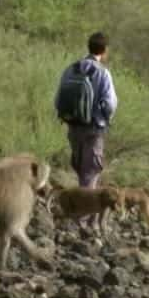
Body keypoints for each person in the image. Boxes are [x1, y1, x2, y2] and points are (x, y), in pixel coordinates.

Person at [54, 32, 118, 190]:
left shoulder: (71, 69)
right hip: (93, 129)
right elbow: (110, 104)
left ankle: (78, 210)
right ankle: (84, 212)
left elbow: (57, 100)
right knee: (90, 174)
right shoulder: (103, 72)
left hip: (73, 127)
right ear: (104, 51)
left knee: (81, 171)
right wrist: (106, 118)